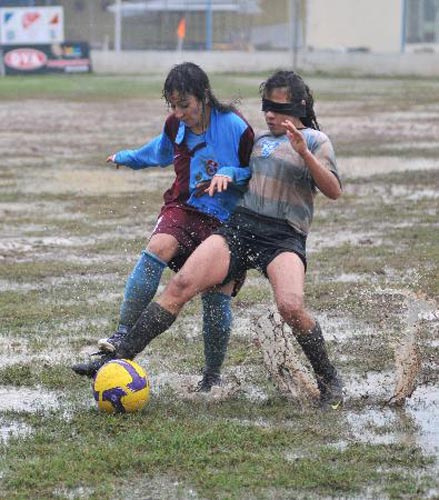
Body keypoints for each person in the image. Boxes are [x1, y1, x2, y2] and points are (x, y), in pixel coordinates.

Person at [75, 69, 343, 409]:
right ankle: (115, 357)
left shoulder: (318, 141)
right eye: (267, 108)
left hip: (283, 237)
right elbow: (245, 175)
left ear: (300, 107)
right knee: (181, 285)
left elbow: (333, 190)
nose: (271, 115)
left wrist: (304, 152)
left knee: (290, 306)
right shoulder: (260, 141)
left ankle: (329, 379)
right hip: (242, 228)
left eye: (279, 108)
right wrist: (226, 175)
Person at [72, 62, 254, 392]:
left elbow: (257, 171)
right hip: (185, 208)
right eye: (173, 105)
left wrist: (232, 173)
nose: (179, 112)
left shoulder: (236, 127)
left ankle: (212, 377)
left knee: (215, 297)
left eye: (184, 105)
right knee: (158, 246)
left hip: (228, 223)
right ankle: (123, 333)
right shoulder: (175, 126)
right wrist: (127, 157)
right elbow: (158, 152)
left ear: (204, 97)